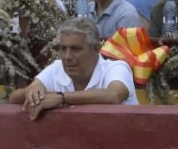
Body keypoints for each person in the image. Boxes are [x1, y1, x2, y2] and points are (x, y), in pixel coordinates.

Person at [9, 17, 137, 115]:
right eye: (63, 49)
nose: (67, 57)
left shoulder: (116, 68)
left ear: (97, 48)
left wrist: (61, 98)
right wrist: (33, 92)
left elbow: (114, 95)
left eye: (76, 49)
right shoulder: (56, 68)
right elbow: (14, 98)